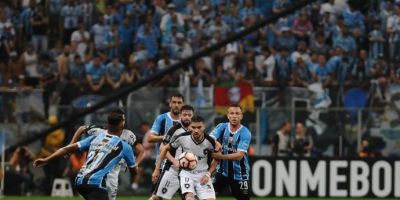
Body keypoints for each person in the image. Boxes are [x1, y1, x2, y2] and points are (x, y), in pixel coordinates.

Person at [33, 109, 137, 200]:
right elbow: (134, 170)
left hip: (80, 181)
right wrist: (134, 179)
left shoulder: (96, 137)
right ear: (121, 125)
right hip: (96, 183)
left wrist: (47, 159)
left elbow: (66, 149)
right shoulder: (124, 146)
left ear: (108, 123)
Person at [68, 124, 145, 200]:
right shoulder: (99, 130)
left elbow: (141, 151)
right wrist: (70, 146)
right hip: (96, 169)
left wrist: (136, 164)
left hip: (114, 169)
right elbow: (81, 128)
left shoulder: (128, 134)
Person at [156, 115, 219, 200]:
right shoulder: (182, 137)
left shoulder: (210, 141)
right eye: (193, 127)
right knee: (189, 197)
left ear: (204, 127)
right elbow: (164, 148)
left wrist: (208, 174)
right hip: (187, 173)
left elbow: (217, 158)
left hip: (203, 174)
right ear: (189, 127)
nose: (196, 130)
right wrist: (157, 168)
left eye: (199, 127)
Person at [150, 105, 194, 200]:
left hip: (189, 171)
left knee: (190, 197)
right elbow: (162, 148)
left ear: (193, 116)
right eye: (184, 114)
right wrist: (158, 169)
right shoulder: (173, 130)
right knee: (156, 197)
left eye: (189, 115)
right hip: (172, 169)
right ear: (180, 116)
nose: (187, 117)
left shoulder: (197, 131)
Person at [209, 104, 252, 200]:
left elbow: (239, 156)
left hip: (240, 174)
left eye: (237, 113)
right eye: (232, 113)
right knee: (207, 195)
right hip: (222, 172)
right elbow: (210, 138)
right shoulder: (222, 127)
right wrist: (216, 142)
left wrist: (219, 156)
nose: (234, 116)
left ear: (241, 116)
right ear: (228, 115)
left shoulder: (245, 132)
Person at [147, 94, 184, 181]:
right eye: (174, 102)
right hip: (163, 161)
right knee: (157, 192)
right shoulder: (161, 118)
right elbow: (150, 138)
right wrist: (164, 137)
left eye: (179, 103)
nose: (176, 105)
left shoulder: (186, 120)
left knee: (186, 192)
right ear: (169, 104)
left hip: (182, 161)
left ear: (183, 105)